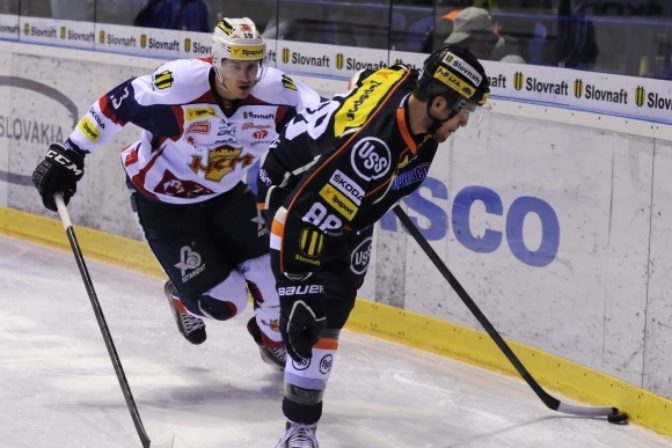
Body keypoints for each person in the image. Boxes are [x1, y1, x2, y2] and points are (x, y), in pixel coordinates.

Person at [32, 17, 321, 371]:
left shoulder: (276, 91)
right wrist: (72, 151)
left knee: (272, 274)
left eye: (252, 66)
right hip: (164, 205)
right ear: (217, 61)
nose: (246, 76)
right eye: (236, 66)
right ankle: (182, 298)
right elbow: (115, 104)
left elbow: (324, 115)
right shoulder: (179, 86)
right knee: (227, 302)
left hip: (226, 196)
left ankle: (271, 340)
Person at [256, 44, 490, 447]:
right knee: (315, 310)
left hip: (340, 198)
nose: (465, 121)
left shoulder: (405, 82)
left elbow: (364, 79)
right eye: (463, 110)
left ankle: (300, 418)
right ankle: (298, 429)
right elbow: (301, 215)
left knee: (336, 304)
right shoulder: (370, 151)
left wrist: (372, 188)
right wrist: (297, 289)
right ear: (438, 104)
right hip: (293, 196)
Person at [444, 6, 525, 63]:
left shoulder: (511, 61)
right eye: (461, 42)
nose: (462, 46)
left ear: (484, 34)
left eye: (467, 39)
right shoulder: (469, 59)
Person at [133, 0, 211, 32]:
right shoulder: (165, 4)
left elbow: (205, 32)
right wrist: (151, 8)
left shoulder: (201, 6)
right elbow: (141, 25)